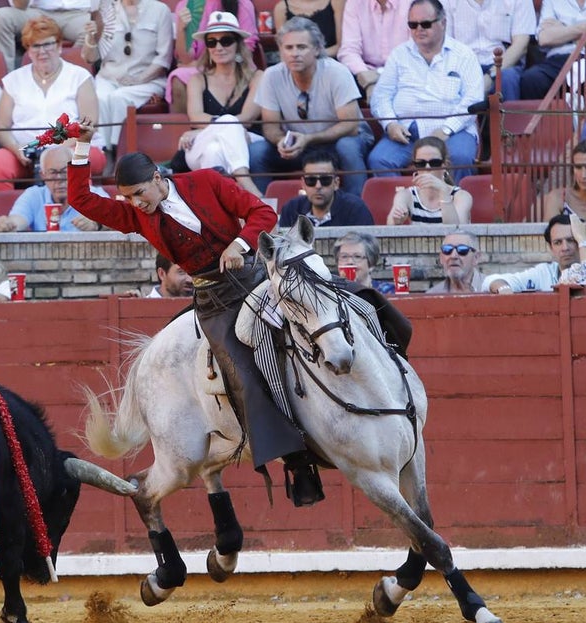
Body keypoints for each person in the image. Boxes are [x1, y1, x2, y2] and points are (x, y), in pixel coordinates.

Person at [69, 118, 367, 508]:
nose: (135, 203)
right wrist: (81, 146)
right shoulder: (135, 216)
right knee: (243, 370)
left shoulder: (206, 182)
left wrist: (240, 245)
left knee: (351, 302)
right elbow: (82, 201)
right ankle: (296, 459)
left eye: (139, 193)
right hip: (215, 301)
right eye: (127, 198)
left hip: (258, 277)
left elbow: (261, 213)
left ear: (159, 178)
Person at [0, 16, 107, 197]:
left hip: (74, 146)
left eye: (47, 44)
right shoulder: (13, 80)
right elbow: (1, 127)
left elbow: (88, 125)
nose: (42, 51)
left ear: (59, 46)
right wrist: (17, 149)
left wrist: (56, 151)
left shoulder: (79, 76)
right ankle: (8, 220)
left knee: (76, 160)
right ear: (28, 50)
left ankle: (81, 218)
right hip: (25, 154)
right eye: (35, 46)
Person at [249, 17, 372, 196]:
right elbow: (270, 127)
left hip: (338, 141)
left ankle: (358, 211)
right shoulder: (271, 75)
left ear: (316, 49)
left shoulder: (337, 72)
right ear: (281, 51)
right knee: (257, 151)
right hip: (299, 145)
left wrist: (308, 139)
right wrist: (281, 142)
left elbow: (350, 126)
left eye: (302, 47)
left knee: (348, 147)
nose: (294, 53)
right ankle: (263, 215)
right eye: (288, 48)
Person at [366, 0, 483, 183]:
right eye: (413, 25)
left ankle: (459, 209)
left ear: (443, 23)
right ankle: (403, 209)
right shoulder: (399, 54)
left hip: (453, 131)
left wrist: (446, 129)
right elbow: (381, 97)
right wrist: (390, 124)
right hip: (407, 132)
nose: (419, 29)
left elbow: (473, 101)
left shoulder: (464, 55)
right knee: (379, 159)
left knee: (459, 158)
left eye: (425, 24)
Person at [174, 12, 264, 196]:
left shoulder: (257, 77)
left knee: (214, 150)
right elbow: (196, 117)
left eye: (226, 40)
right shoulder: (197, 80)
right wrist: (215, 129)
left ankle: (214, 209)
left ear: (238, 44)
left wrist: (206, 129)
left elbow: (247, 118)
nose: (219, 47)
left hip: (247, 139)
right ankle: (247, 184)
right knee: (228, 125)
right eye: (212, 42)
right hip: (200, 143)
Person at [82, 0, 174, 153]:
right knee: (100, 98)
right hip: (109, 77)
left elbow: (163, 59)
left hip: (148, 80)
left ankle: (119, 152)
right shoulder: (106, 11)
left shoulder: (160, 10)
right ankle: (102, 151)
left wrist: (139, 79)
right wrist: (91, 37)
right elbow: (90, 58)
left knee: (119, 98)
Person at [166, 1, 258, 113]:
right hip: (204, 67)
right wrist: (182, 30)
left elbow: (246, 49)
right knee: (178, 76)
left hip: (237, 64)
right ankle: (181, 129)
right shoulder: (188, 4)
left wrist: (211, 63)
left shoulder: (242, 3)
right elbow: (186, 59)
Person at [505, 0, 586, 101]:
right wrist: (585, 28)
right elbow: (544, 38)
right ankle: (536, 117)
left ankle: (579, 116)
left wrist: (562, 31)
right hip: (556, 60)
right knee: (531, 79)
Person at [0, 145, 106, 232]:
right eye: (53, 173)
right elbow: (17, 220)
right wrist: (7, 224)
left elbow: (115, 221)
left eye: (65, 172)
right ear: (43, 175)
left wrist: (97, 224)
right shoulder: (33, 195)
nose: (59, 178)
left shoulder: (93, 195)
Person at [440, 0, 534, 99]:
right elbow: (446, 45)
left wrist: (491, 75)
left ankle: (508, 115)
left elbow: (521, 45)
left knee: (507, 79)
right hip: (464, 65)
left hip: (504, 65)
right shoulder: (447, 2)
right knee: (450, 80)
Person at [483, 214, 580, 293]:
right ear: (551, 247)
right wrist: (503, 289)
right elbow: (489, 281)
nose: (565, 248)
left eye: (571, 240)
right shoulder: (544, 273)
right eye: (558, 243)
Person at [277, 148, 373, 227]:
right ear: (303, 184)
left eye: (325, 180)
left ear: (336, 183)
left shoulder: (355, 209)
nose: (318, 186)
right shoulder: (291, 210)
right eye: (311, 180)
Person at [387, 137, 473, 225]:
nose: (427, 168)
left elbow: (458, 231)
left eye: (434, 163)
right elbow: (389, 228)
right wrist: (396, 220)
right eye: (421, 163)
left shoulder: (461, 196)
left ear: (445, 165)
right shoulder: (406, 195)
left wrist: (443, 192)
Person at [337, 0, 410, 101]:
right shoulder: (355, 3)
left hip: (404, 73)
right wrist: (367, 79)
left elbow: (417, 52)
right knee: (341, 81)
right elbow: (349, 50)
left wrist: (379, 76)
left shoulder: (413, 3)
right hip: (365, 73)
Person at [0, 0, 95, 71]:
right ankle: (5, 81)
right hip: (38, 12)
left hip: (80, 13)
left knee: (95, 29)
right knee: (2, 17)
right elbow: (19, 5)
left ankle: (70, 76)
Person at [273, 0, 343, 56]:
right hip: (296, 62)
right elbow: (283, 48)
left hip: (330, 61)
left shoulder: (337, 2)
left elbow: (341, 45)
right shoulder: (281, 8)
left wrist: (312, 56)